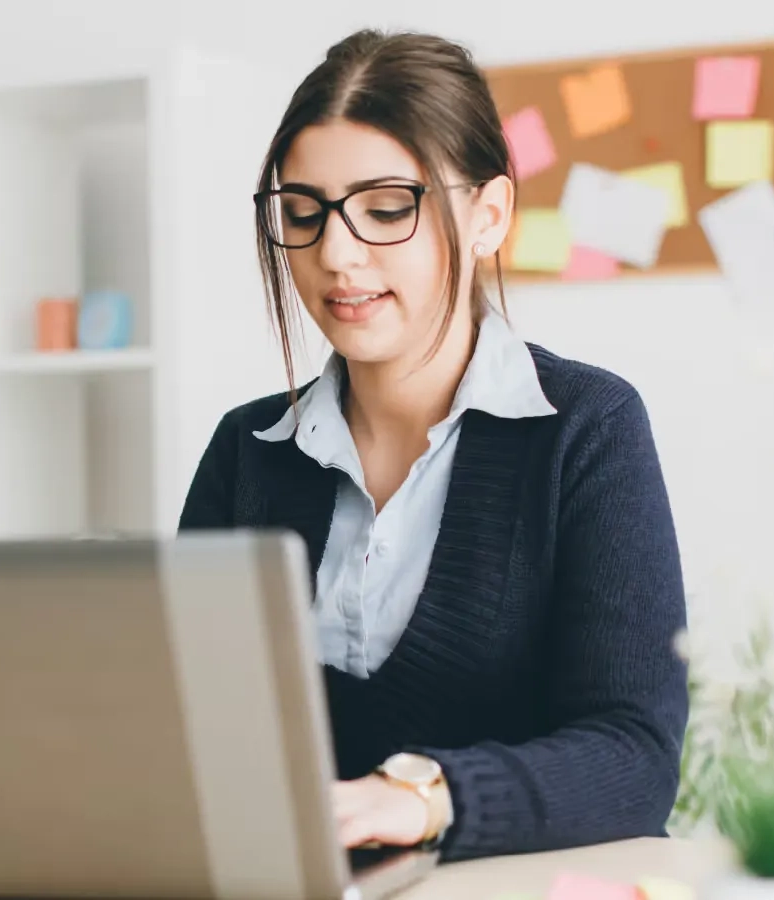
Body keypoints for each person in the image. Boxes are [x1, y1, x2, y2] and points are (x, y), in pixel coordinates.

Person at [177, 28, 689, 863]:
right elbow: (188, 729)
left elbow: (635, 758)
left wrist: (417, 799)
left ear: (488, 216)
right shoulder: (248, 451)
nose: (336, 255)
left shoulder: (589, 429)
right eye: (303, 214)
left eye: (386, 209)